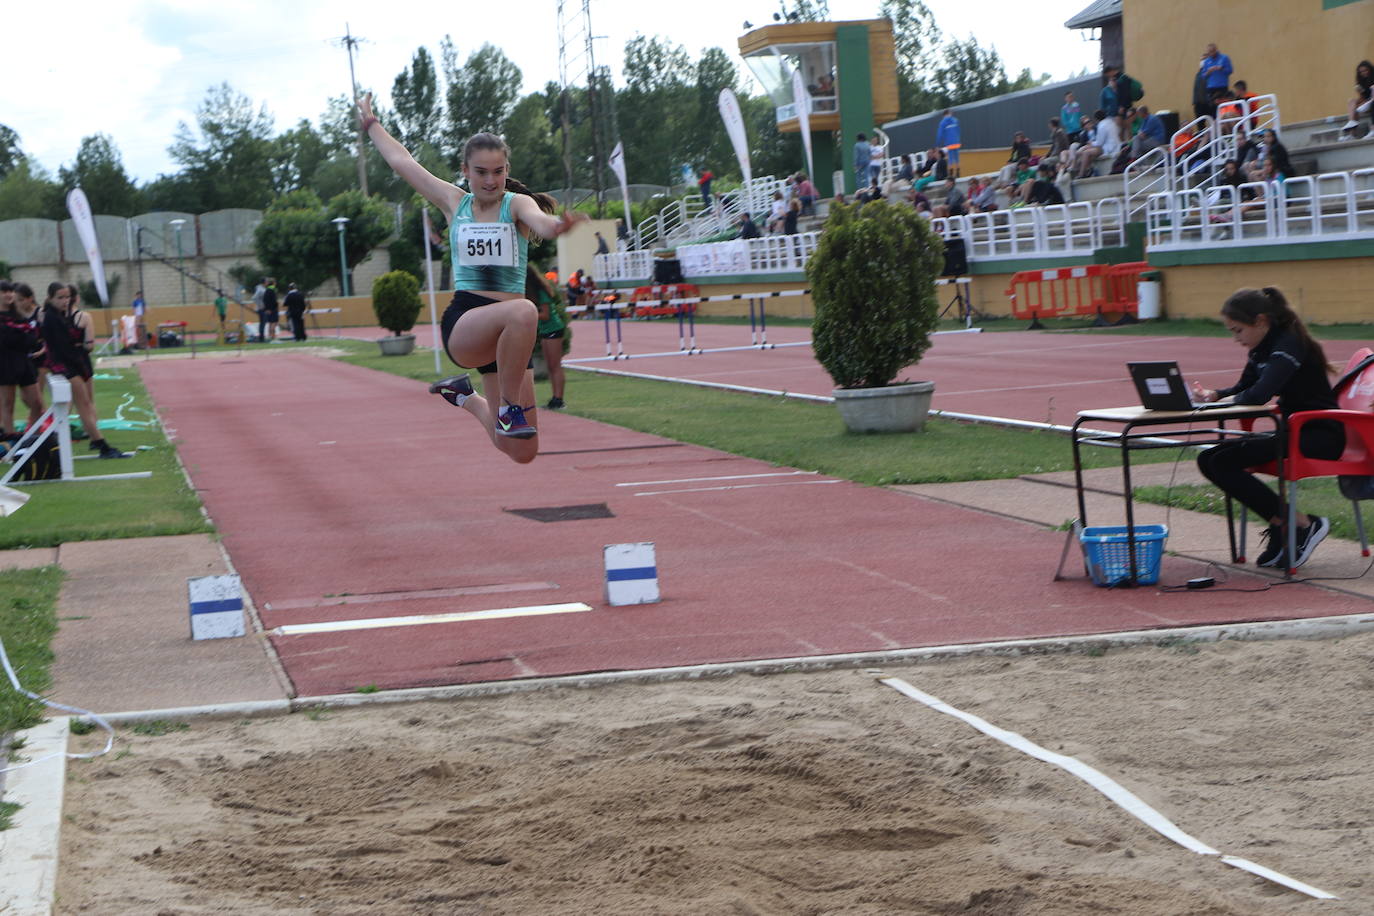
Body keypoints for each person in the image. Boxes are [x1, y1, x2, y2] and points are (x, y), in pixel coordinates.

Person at [358, 91, 585, 462]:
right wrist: (371, 123)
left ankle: (465, 397)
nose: (490, 180)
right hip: (468, 324)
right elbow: (402, 161)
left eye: (498, 171)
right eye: (481, 172)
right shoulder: (454, 202)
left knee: (521, 451)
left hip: (510, 343)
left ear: (506, 170)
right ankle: (509, 408)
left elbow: (542, 222)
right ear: (465, 171)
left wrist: (558, 226)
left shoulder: (518, 205)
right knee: (525, 310)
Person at [1192, 287, 1342, 570]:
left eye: (1238, 330)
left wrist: (1230, 400)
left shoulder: (1289, 344)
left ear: (1260, 321)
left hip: (1321, 435)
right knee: (1209, 458)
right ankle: (1283, 523)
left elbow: (1259, 395)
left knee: (1223, 461)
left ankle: (1302, 524)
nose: (1236, 339)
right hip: (1293, 432)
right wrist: (1215, 395)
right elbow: (1245, 387)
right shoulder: (1261, 348)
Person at [39, 282, 123, 459]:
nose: (65, 301)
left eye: (67, 297)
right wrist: (78, 364)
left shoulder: (57, 315)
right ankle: (101, 445)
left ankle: (97, 443)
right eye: (60, 298)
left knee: (79, 405)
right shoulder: (52, 317)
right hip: (64, 365)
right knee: (83, 404)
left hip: (65, 364)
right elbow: (62, 348)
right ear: (50, 298)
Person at [0, 281, 45, 442]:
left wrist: (20, 338)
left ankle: (33, 439)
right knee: (8, 404)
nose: (9, 294)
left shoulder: (18, 315)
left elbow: (32, 338)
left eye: (10, 291)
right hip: (5, 363)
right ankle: (10, 441)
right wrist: (21, 337)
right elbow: (7, 339)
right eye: (4, 291)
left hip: (24, 363)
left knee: (37, 403)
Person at [527, 266, 567, 411]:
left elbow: (546, 315)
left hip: (553, 329)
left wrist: (529, 314)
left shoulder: (541, 292)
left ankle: (559, 400)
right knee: (550, 366)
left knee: (555, 366)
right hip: (546, 330)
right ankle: (555, 397)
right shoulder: (531, 293)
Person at [1341, 60, 1374, 138]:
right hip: (1366, 101)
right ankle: (1352, 124)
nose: (1364, 73)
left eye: (1365, 70)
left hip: (1372, 101)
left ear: (1370, 69)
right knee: (1351, 101)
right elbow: (1363, 98)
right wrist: (1360, 91)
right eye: (1361, 72)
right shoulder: (1361, 81)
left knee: (1373, 88)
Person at [1199, 43, 1233, 111]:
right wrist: (1208, 72)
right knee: (1212, 108)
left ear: (1216, 50)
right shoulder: (1206, 61)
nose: (1211, 54)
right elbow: (1203, 76)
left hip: (1222, 86)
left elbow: (1230, 71)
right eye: (1209, 52)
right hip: (1211, 87)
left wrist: (1221, 69)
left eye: (1212, 51)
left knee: (1223, 106)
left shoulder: (1224, 58)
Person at [935, 109, 961, 177]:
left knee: (950, 158)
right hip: (956, 142)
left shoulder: (942, 122)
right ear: (949, 113)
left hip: (949, 143)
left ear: (944, 115)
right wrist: (958, 139)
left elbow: (940, 134)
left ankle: (951, 173)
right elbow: (958, 130)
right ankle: (958, 172)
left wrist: (938, 144)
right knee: (957, 158)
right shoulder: (955, 120)